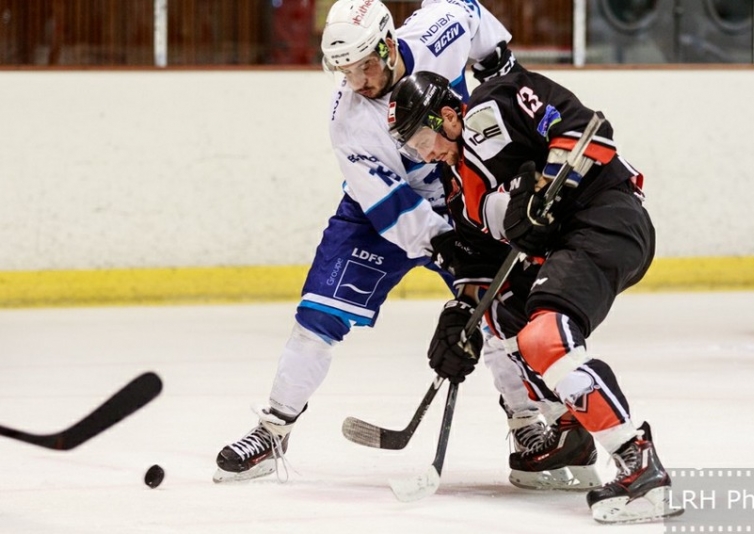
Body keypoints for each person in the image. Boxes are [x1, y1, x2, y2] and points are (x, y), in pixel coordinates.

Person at [213, 0, 547, 485]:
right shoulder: (348, 121)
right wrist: (445, 243)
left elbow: (470, 12)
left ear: (389, 44)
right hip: (380, 214)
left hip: (463, 192)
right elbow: (390, 207)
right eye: (344, 71)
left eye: (364, 65)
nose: (357, 80)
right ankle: (273, 430)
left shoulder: (437, 32)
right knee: (317, 318)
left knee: (495, 311)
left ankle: (525, 423)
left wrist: (494, 56)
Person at [386, 70, 684, 523]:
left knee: (545, 337)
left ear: (448, 115)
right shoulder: (459, 194)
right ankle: (573, 434)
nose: (423, 154)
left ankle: (638, 462)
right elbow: (480, 267)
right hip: (561, 248)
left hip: (606, 217)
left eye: (422, 139)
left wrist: (546, 187)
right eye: (411, 149)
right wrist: (459, 316)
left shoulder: (492, 105)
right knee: (501, 318)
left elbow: (586, 130)